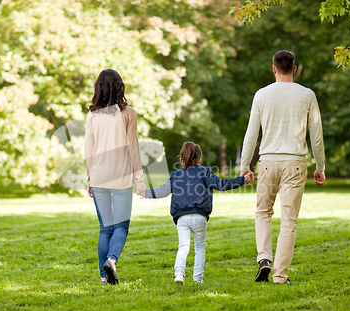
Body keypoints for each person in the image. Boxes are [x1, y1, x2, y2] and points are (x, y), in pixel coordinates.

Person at [239, 50, 326, 284]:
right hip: (295, 163)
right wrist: (320, 166)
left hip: (267, 162)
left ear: (274, 68)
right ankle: (279, 275)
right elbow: (316, 134)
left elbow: (251, 134)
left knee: (263, 213)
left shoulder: (261, 95)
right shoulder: (307, 95)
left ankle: (264, 258)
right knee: (289, 221)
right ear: (294, 69)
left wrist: (245, 166)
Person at [142, 142, 252, 285]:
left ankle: (179, 275)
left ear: (182, 158)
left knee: (183, 247)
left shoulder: (176, 175)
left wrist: (146, 193)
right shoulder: (205, 172)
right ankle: (198, 278)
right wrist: (242, 180)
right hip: (200, 215)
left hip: (181, 217)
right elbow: (222, 185)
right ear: (199, 159)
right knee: (200, 247)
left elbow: (162, 191)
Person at [84, 69, 146, 285]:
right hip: (121, 178)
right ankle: (111, 260)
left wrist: (90, 178)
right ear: (120, 87)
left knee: (105, 228)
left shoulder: (92, 115)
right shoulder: (128, 113)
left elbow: (88, 152)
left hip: (99, 177)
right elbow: (133, 148)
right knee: (121, 227)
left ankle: (103, 278)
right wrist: (140, 179)